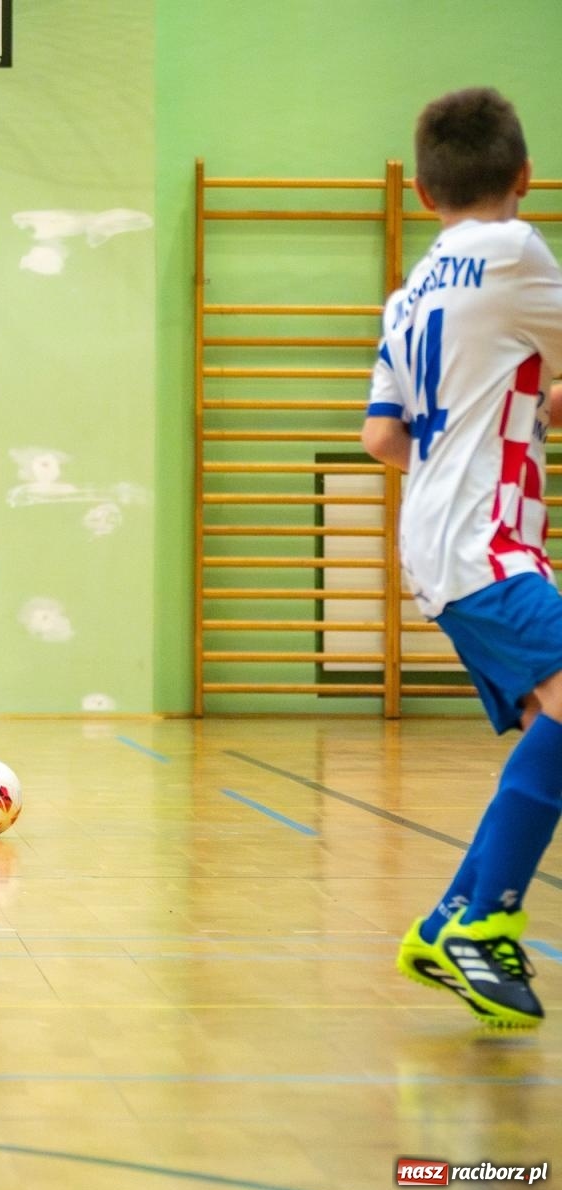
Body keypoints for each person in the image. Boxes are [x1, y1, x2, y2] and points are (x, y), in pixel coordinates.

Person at [364, 87, 562, 1029]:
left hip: (437, 541)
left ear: (421, 193)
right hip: (488, 543)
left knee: (551, 724)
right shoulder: (516, 250)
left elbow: (382, 436)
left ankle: (449, 920)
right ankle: (485, 923)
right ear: (525, 176)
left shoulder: (408, 295)